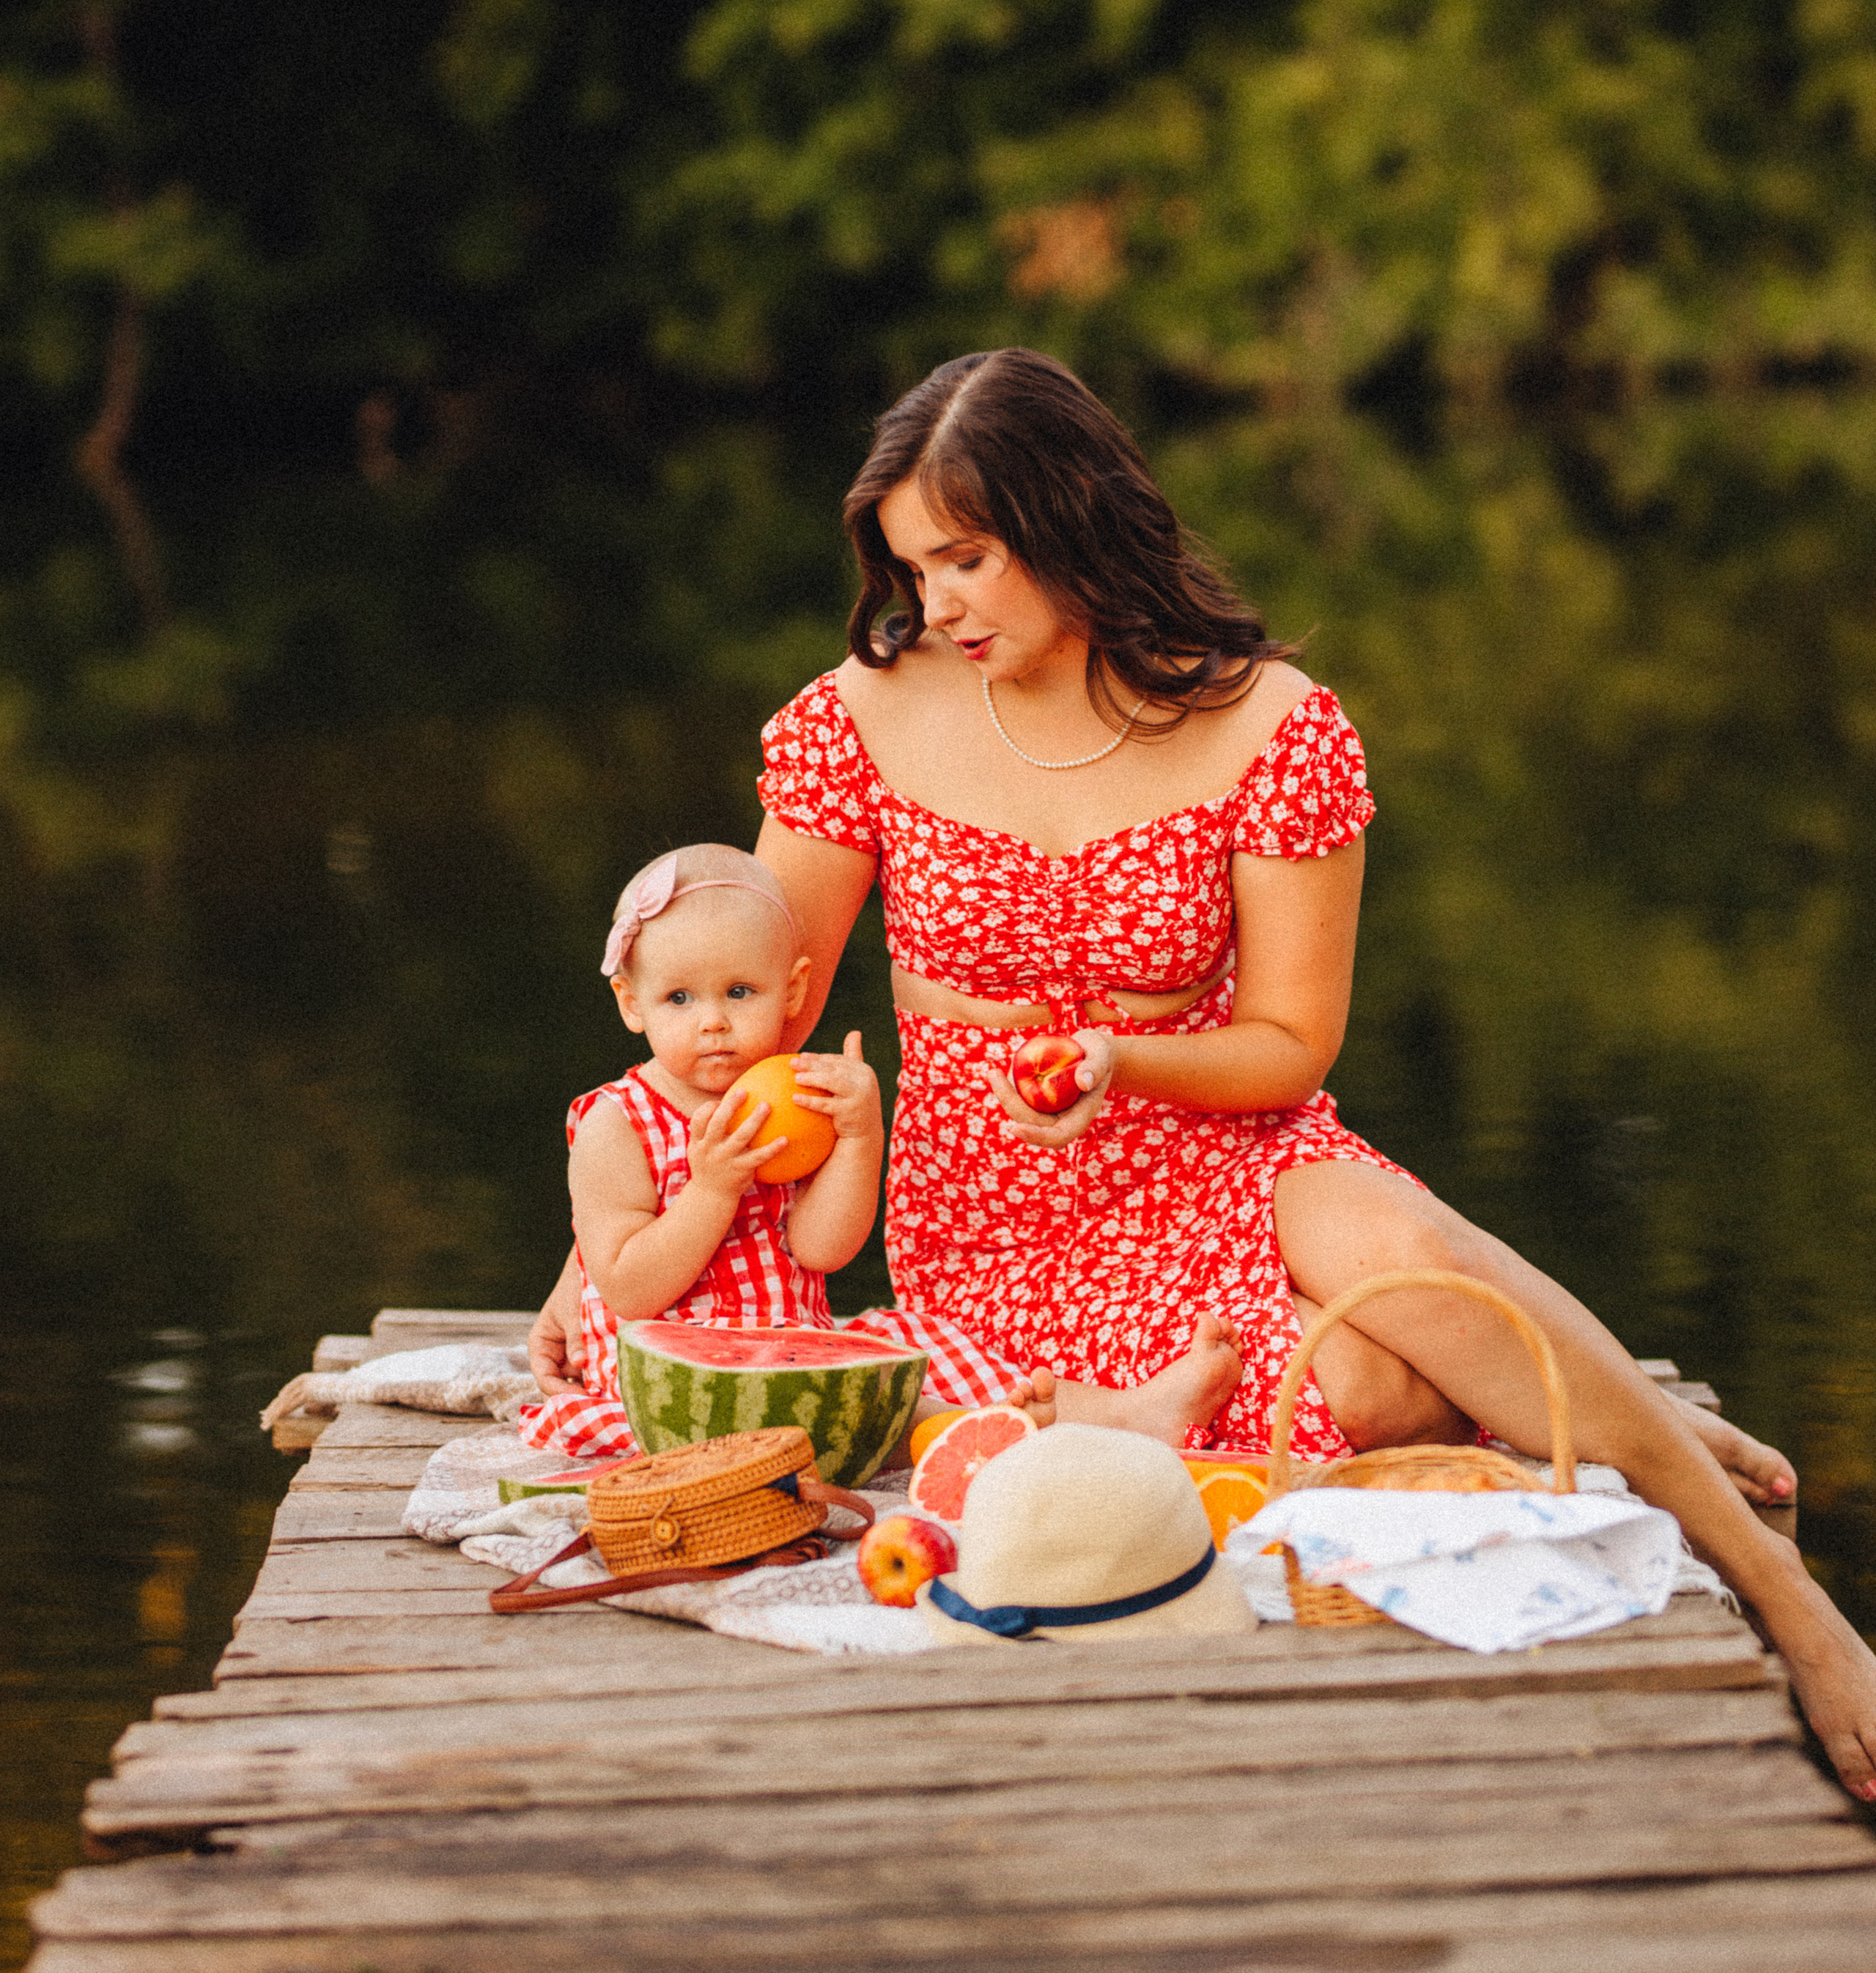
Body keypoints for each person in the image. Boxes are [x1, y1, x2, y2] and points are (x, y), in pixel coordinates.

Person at [531, 353, 1876, 1796]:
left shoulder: (1270, 729)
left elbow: (1291, 1045)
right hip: (989, 1211)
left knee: (1416, 1253)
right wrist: (595, 1246)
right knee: (1363, 1388)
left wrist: (1125, 1059)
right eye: (915, 567)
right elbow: (752, 1009)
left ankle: (1783, 1597)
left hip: (1224, 1144)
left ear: (1069, 523)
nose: (935, 605)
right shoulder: (858, 720)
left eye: (969, 560)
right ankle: (1618, 1409)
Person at [520, 837, 1218, 1459]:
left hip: (799, 1348)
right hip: (675, 1387)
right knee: (875, 1411)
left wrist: (860, 1135)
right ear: (630, 1003)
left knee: (923, 1346)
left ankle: (1111, 1412)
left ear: (791, 991)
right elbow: (629, 1287)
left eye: (739, 992)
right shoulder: (617, 1123)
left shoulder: (796, 1096)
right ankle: (1020, 1433)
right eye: (679, 999)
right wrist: (711, 1191)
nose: (714, 1023)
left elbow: (823, 1250)